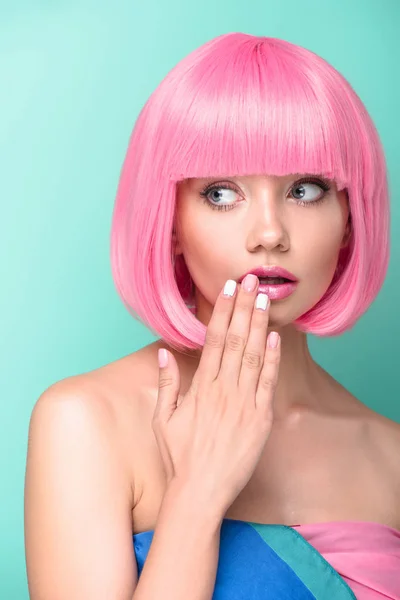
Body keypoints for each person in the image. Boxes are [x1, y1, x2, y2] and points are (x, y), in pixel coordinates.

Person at [24, 32, 400, 600]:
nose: (270, 233)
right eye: (223, 193)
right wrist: (198, 492)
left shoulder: (390, 457)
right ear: (169, 222)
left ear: (351, 217)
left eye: (306, 188)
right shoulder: (84, 423)